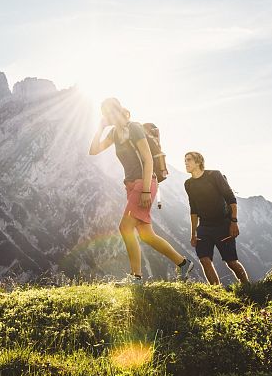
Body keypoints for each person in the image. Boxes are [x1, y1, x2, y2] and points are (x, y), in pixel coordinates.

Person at [89, 97, 194, 284]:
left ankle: (136, 277)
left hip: (144, 184)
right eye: (104, 114)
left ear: (117, 110)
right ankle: (183, 263)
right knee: (147, 235)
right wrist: (100, 128)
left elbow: (148, 160)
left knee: (125, 227)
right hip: (131, 186)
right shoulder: (114, 133)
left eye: (108, 112)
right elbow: (94, 150)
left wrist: (145, 190)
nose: (106, 116)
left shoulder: (134, 128)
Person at [184, 151, 250, 286]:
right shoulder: (188, 184)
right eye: (185, 160)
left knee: (231, 262)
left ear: (198, 162)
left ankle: (247, 287)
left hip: (223, 225)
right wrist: (193, 233)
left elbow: (231, 198)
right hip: (204, 227)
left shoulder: (214, 175)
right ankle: (217, 291)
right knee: (204, 259)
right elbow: (194, 209)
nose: (185, 162)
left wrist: (234, 222)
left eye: (189, 160)